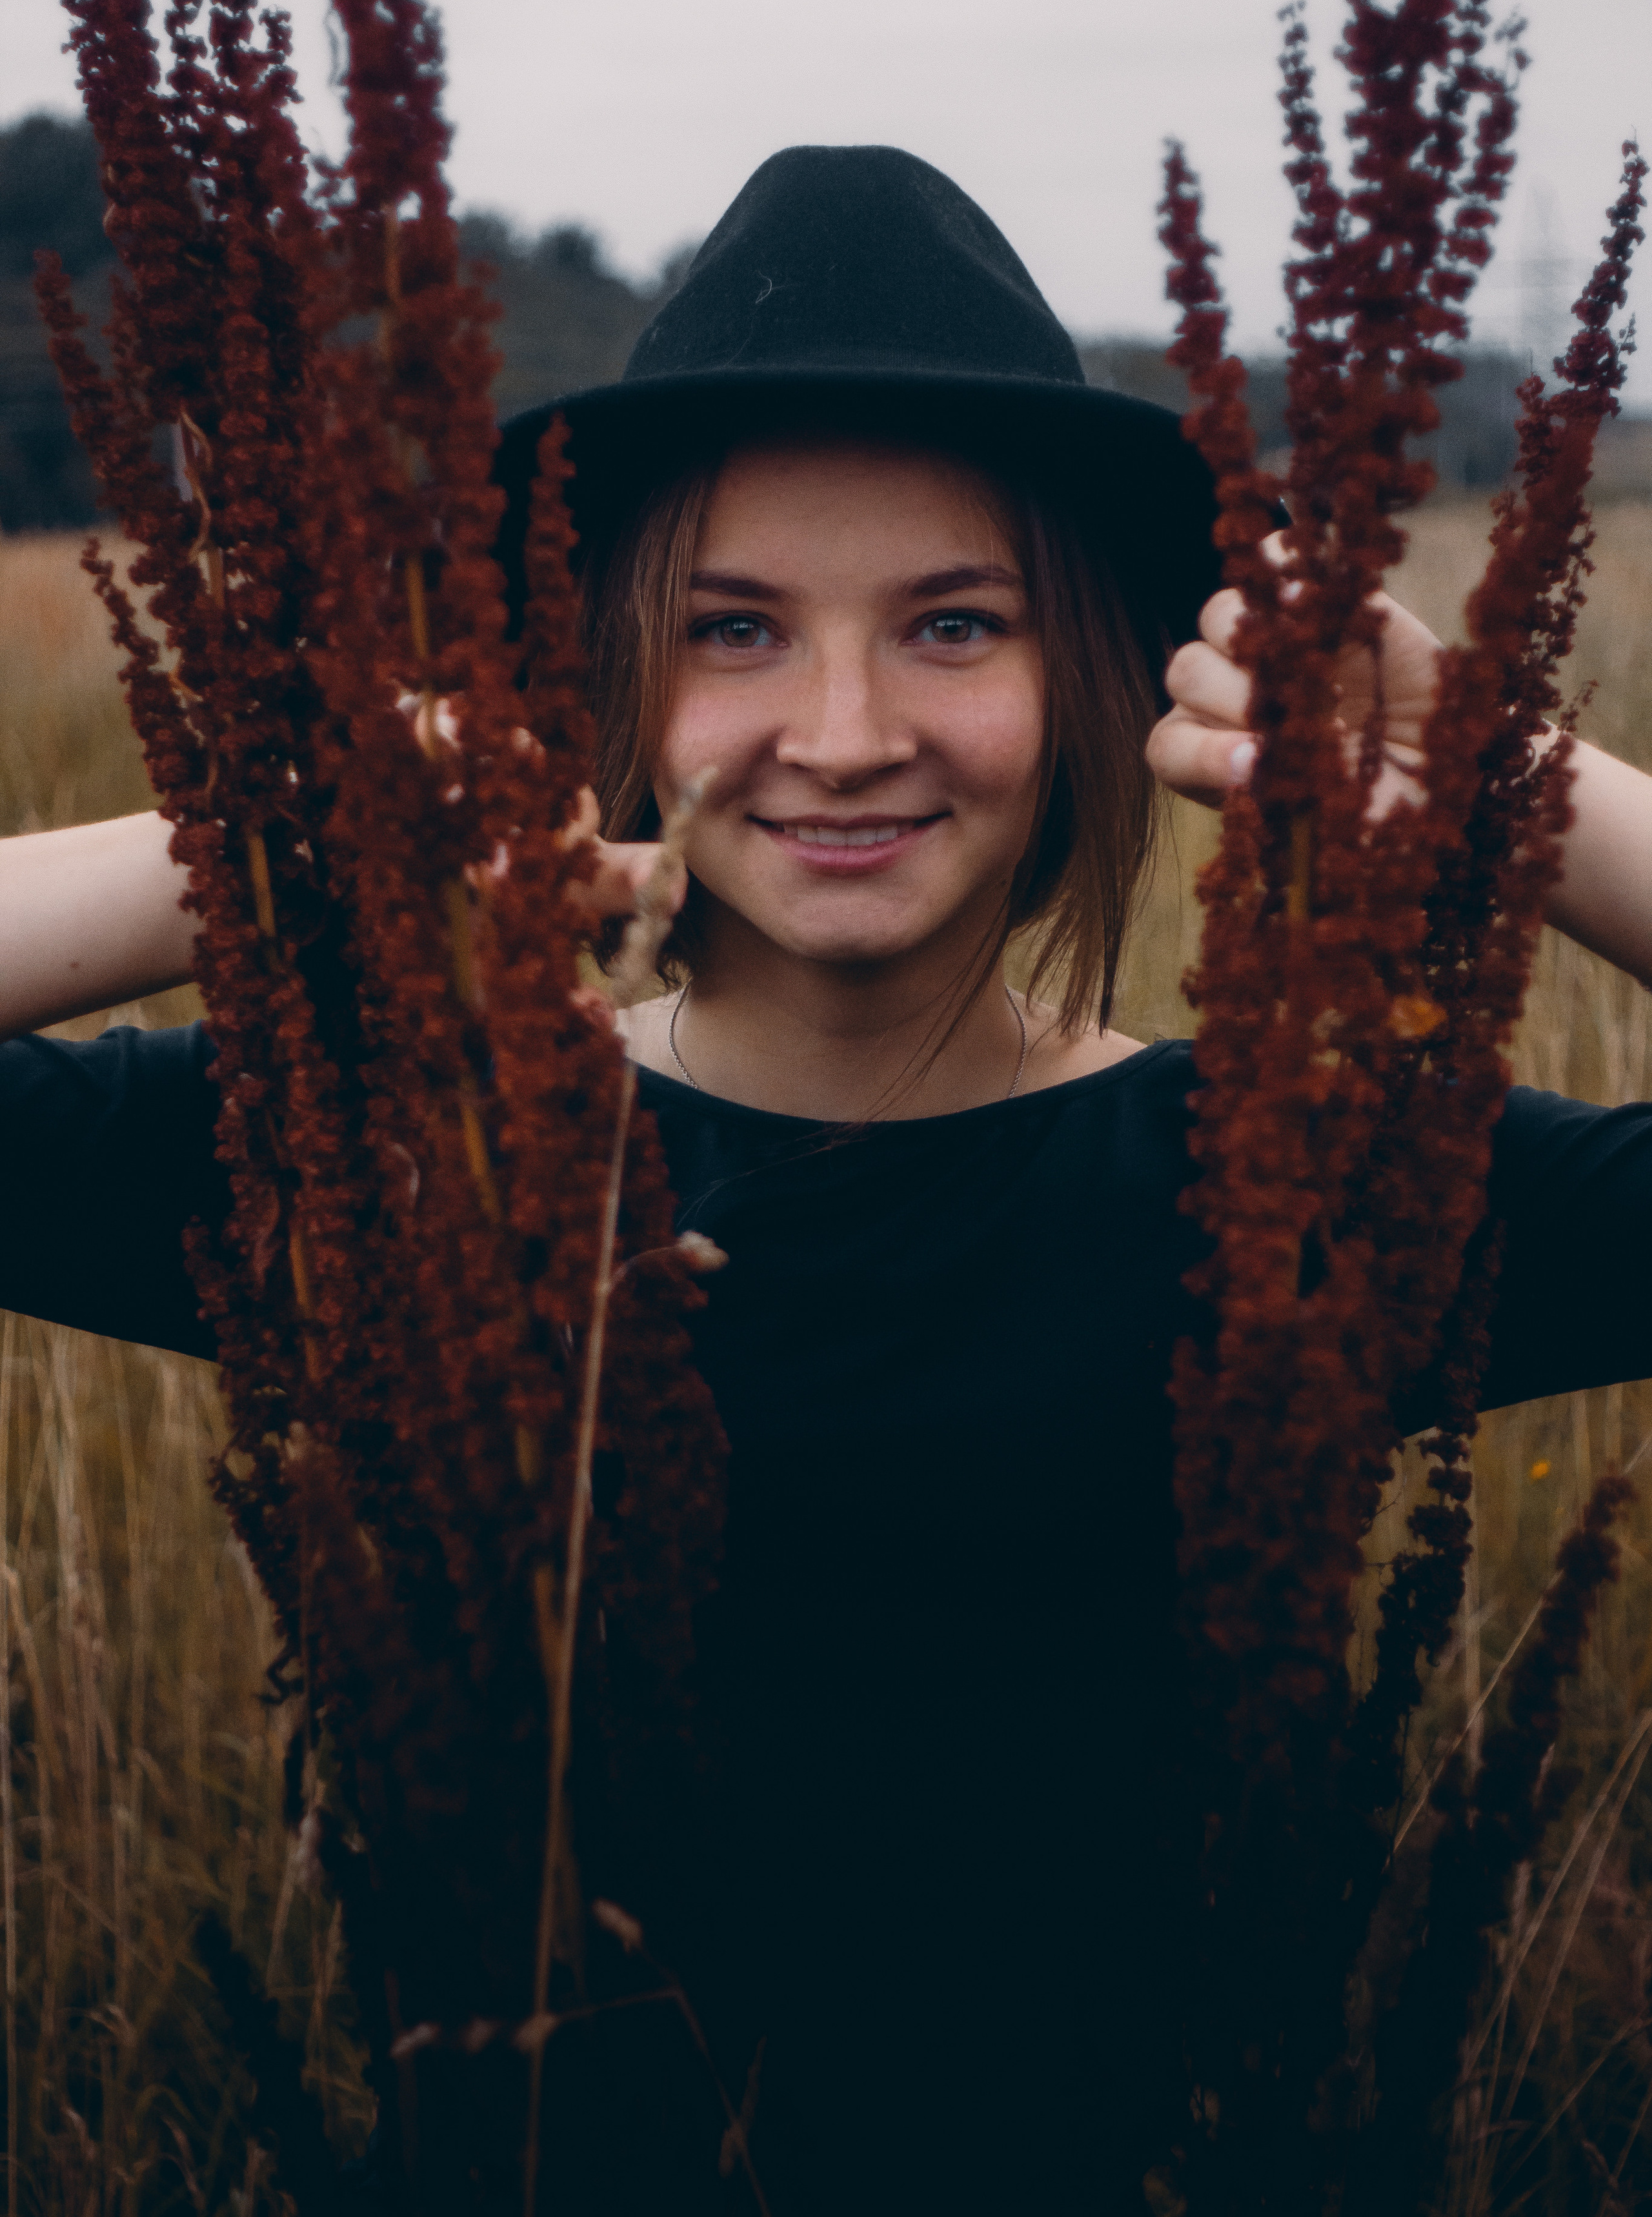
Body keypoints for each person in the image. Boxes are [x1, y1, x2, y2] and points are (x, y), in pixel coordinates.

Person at [3, 145, 1651, 2211]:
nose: (846, 729)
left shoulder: (1287, 1191)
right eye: (735, 630)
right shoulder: (409, 1165)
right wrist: (254, 852)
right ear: (595, 670)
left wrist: (1513, 780)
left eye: (953, 624)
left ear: (1098, 676)